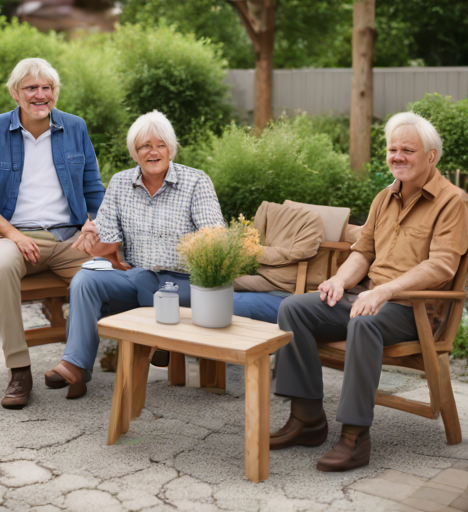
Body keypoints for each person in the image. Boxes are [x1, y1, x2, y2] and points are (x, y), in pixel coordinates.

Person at [270, 112, 468, 471]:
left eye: (408, 149)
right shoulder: (384, 198)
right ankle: (307, 419)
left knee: (365, 323)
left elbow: (442, 266)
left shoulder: (453, 201)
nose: (398, 156)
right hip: (367, 296)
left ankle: (355, 437)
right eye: (393, 149)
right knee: (293, 308)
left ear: (431, 157)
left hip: (414, 310)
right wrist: (340, 281)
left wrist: (386, 291)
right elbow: (362, 252)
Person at [0, 58, 105, 409]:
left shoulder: (75, 127)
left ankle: (77, 363)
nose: (40, 95)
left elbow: (94, 189)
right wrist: (12, 234)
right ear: (15, 93)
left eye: (46, 88)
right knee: (3, 264)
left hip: (69, 237)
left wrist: (94, 222)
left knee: (110, 269)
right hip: (15, 237)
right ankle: (19, 371)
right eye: (31, 88)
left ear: (55, 92)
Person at [44, 110, 225, 398]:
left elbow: (215, 239)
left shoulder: (195, 182)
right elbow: (106, 234)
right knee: (86, 278)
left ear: (171, 149)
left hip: (185, 282)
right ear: (134, 152)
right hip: (138, 277)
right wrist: (93, 233)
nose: (152, 152)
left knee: (153, 286)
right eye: (144, 146)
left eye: (160, 145)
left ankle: (159, 341)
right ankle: (75, 364)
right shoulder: (120, 183)